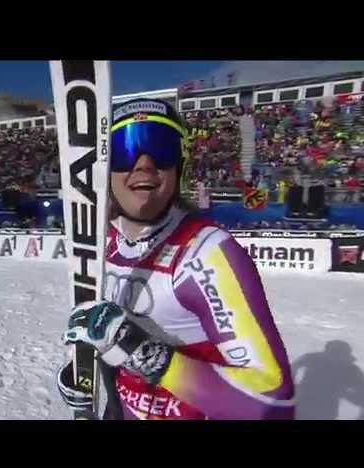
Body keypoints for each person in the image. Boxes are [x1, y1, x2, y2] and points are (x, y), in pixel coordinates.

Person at [56, 98, 295, 420]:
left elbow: (274, 403)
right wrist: (83, 375)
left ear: (178, 166)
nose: (143, 164)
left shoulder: (205, 252)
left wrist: (148, 355)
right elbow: (103, 339)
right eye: (125, 150)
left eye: (161, 147)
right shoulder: (101, 244)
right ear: (107, 167)